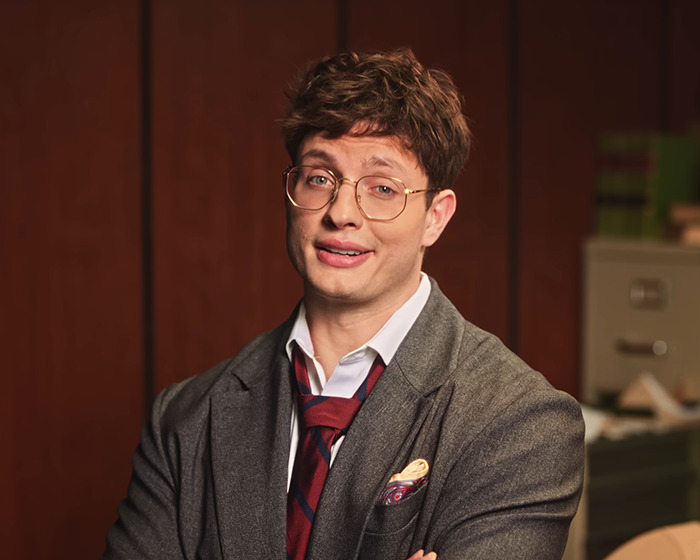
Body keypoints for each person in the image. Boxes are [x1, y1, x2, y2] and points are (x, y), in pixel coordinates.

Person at [102, 48, 584, 560]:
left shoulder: (521, 424)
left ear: (435, 217)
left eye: (381, 187)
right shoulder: (185, 416)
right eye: (319, 178)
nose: (342, 212)